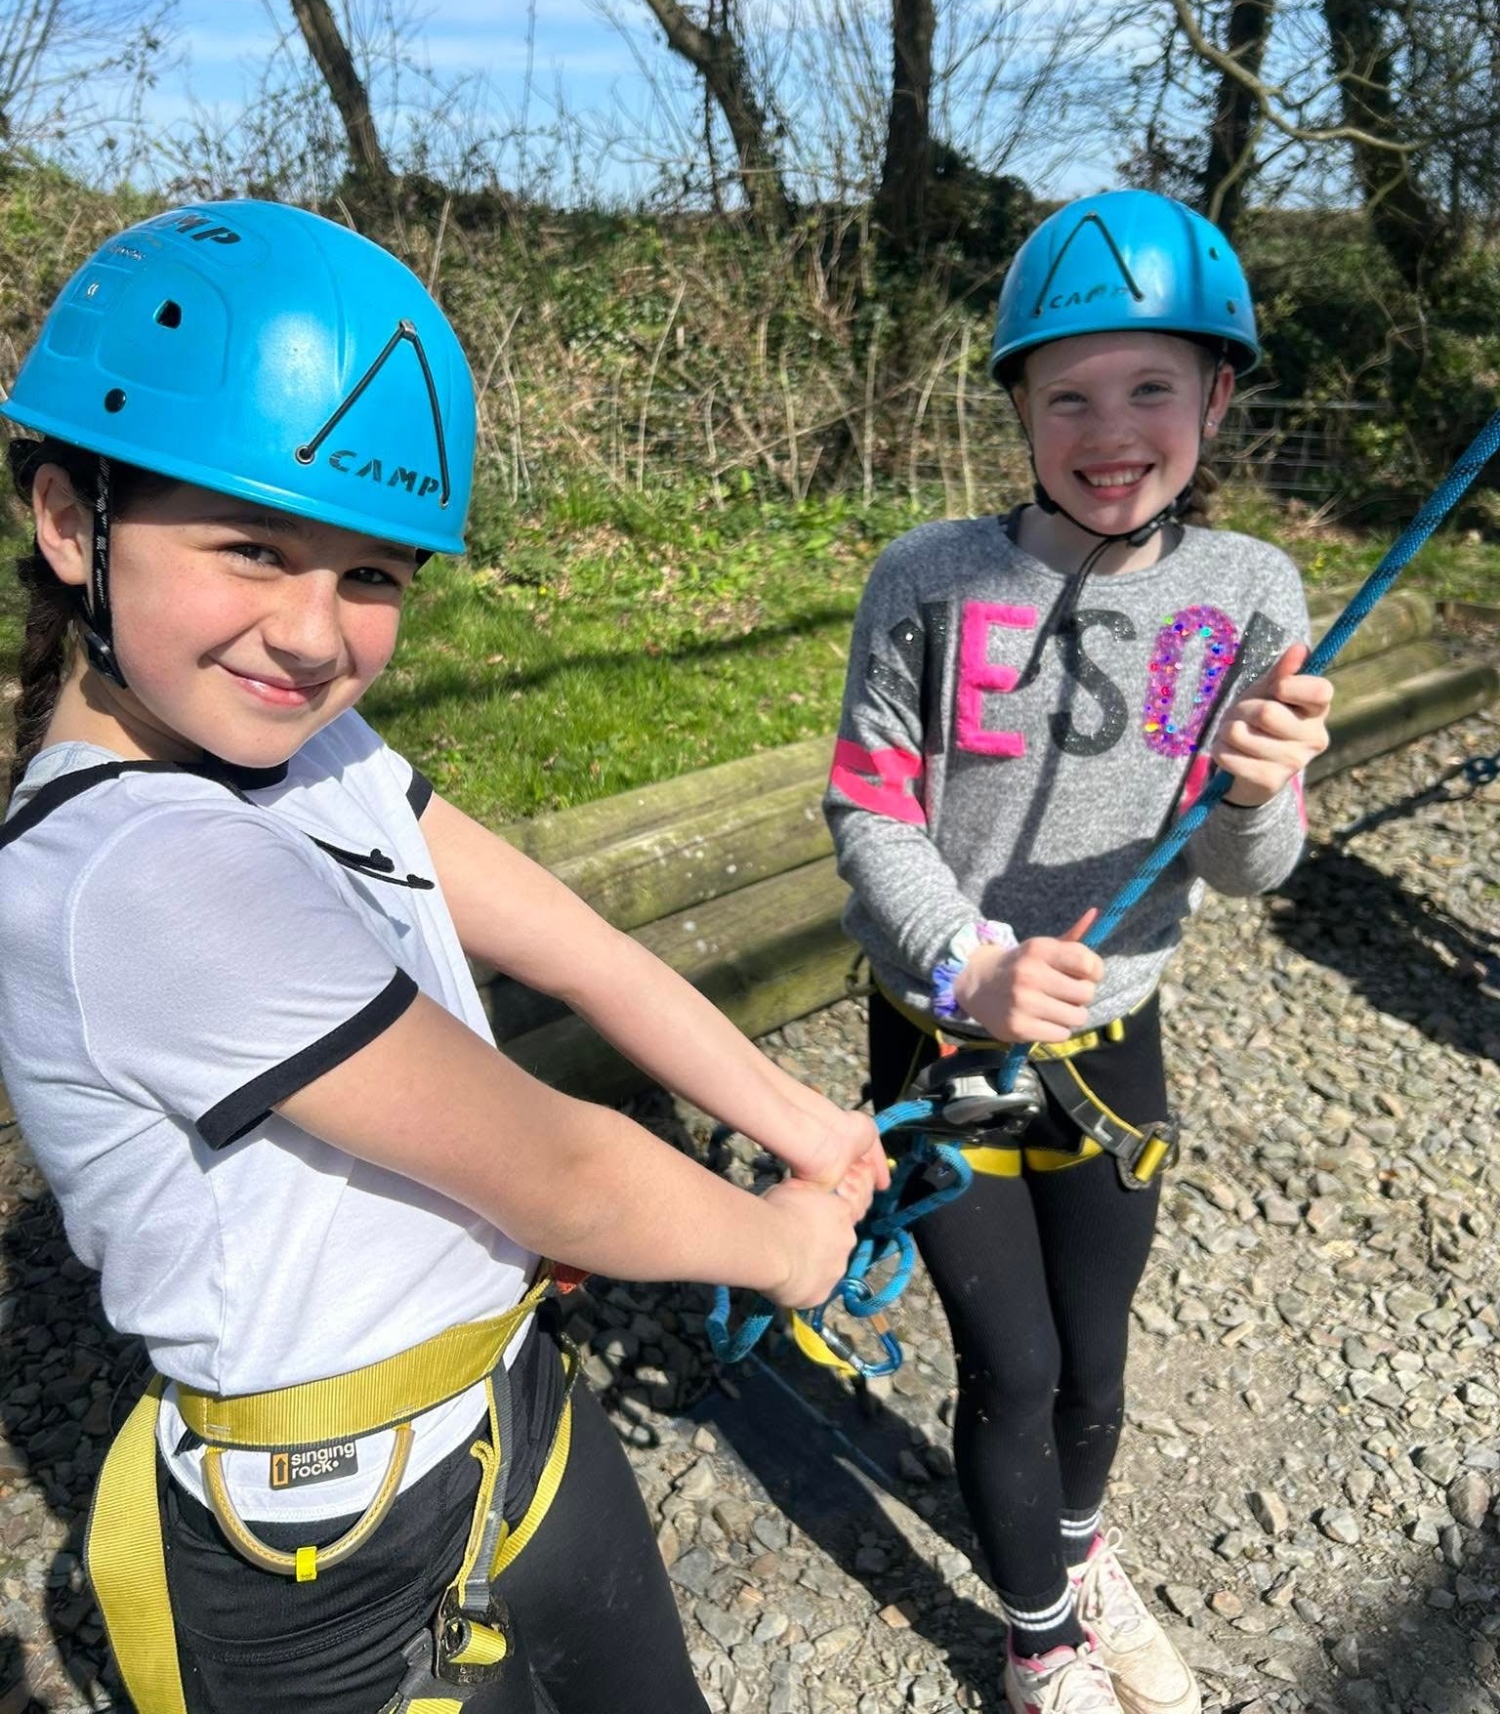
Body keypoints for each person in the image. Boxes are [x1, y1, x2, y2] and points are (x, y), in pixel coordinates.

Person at [0, 200, 883, 1714]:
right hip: (325, 1552)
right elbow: (559, 1172)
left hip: (514, 1409)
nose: (312, 633)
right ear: (74, 522)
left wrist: (810, 1126)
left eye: (374, 576)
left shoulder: (316, 756)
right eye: (251, 549)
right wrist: (785, 1246)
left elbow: (588, 951)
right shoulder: (130, 870)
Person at [823, 191, 1333, 1714]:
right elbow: (867, 807)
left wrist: (1254, 789)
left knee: (1098, 1369)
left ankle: (1078, 1556)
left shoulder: (1251, 595)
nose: (1111, 431)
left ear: (1219, 395)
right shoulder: (926, 578)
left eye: (1153, 388)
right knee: (1014, 1369)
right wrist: (963, 963)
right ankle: (1039, 1637)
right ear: (1021, 410)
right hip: (947, 1037)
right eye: (1069, 395)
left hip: (1118, 1046)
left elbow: (1255, 869)